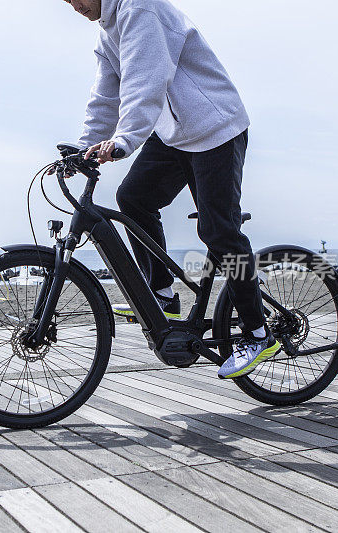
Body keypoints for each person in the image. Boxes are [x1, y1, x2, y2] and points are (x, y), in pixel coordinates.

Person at [63, 0, 281, 378]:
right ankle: (161, 294)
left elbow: (147, 78)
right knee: (133, 198)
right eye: (65, 1)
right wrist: (83, 148)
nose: (75, 5)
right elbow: (105, 95)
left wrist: (124, 140)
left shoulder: (139, 8)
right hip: (175, 134)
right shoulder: (108, 31)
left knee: (219, 232)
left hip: (215, 127)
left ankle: (258, 332)